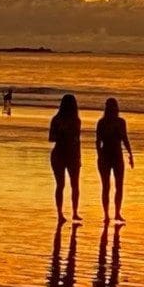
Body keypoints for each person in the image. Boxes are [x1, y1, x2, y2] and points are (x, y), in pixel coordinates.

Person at [96, 98, 134, 224]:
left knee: (114, 186)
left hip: (113, 156)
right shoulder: (106, 122)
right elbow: (98, 141)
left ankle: (114, 213)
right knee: (109, 186)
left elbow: (125, 139)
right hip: (109, 156)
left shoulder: (110, 122)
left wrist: (130, 154)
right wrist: (130, 154)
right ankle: (109, 214)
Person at [49, 94, 82, 224]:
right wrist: (62, 133)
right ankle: (60, 213)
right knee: (61, 184)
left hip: (70, 154)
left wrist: (78, 157)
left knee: (74, 185)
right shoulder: (57, 120)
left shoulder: (75, 120)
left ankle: (74, 212)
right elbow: (52, 137)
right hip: (60, 153)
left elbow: (77, 140)